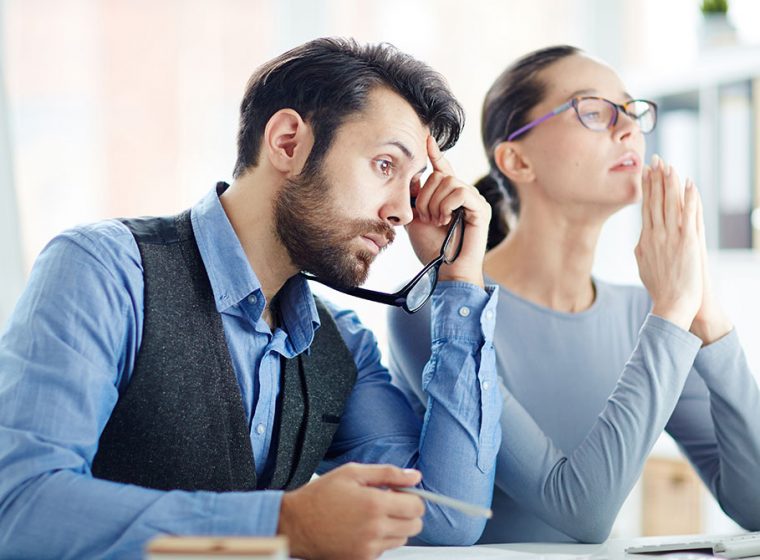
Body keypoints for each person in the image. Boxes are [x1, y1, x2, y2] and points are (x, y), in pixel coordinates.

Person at [0, 38, 501, 559]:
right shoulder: (104, 269)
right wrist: (282, 524)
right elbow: (18, 507)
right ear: (288, 142)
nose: (403, 211)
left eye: (414, 184)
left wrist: (459, 281)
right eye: (384, 166)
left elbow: (445, 515)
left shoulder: (342, 343)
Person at [388, 45, 760, 544]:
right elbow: (582, 511)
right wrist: (674, 310)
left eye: (631, 111)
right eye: (594, 110)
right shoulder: (442, 310)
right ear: (516, 159)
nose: (628, 129)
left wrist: (706, 316)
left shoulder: (644, 314)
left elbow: (755, 504)